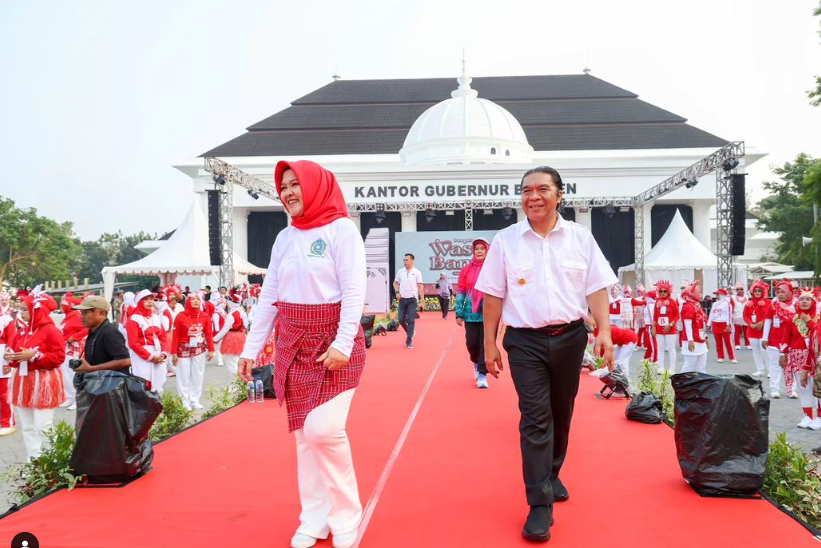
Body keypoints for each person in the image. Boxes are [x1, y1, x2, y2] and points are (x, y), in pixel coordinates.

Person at [476, 166, 616, 543]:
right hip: (524, 341)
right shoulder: (506, 241)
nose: (532, 196)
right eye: (525, 190)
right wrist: (489, 343)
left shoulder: (580, 238)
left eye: (541, 189)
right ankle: (539, 504)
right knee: (535, 418)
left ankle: (552, 472)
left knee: (561, 413)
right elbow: (493, 295)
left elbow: (597, 287)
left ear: (558, 195)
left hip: (571, 338)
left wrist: (604, 330)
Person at [237, 160, 366, 548]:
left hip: (333, 345)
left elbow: (355, 290)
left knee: (323, 429)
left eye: (296, 184)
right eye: (284, 186)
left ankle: (347, 515)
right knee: (303, 437)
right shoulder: (285, 237)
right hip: (292, 343)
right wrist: (250, 347)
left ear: (316, 187)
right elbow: (269, 297)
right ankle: (314, 518)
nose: (289, 192)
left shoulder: (342, 231)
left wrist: (343, 344)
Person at [3, 289, 66, 461]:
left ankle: (54, 460)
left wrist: (35, 356)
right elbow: (17, 356)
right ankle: (35, 461)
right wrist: (11, 357)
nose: (20, 312)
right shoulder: (21, 332)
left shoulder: (51, 330)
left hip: (44, 381)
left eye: (24, 309)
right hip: (24, 381)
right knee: (28, 427)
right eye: (19, 309)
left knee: (43, 425)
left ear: (36, 310)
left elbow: (59, 357)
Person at [455, 238, 491, 389]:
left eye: (482, 248)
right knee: (471, 343)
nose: (480, 251)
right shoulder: (466, 270)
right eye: (477, 249)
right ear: (473, 251)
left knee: (485, 344)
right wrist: (459, 313)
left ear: (487, 250)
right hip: (470, 313)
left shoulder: (492, 269)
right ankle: (476, 362)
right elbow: (461, 291)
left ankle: (482, 374)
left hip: (489, 314)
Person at [171, 291, 214, 410]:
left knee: (197, 375)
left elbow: (209, 334)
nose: (196, 301)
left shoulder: (205, 316)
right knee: (183, 375)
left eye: (198, 299)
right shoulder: (180, 316)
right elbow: (176, 336)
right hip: (183, 349)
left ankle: (194, 400)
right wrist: (174, 353)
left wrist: (211, 350)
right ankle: (184, 401)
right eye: (193, 299)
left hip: (199, 349)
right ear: (188, 301)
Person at [72, 295, 131, 374]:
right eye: (81, 313)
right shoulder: (95, 331)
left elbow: (125, 360)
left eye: (85, 313)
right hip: (100, 382)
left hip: (112, 384)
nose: (81, 317)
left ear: (101, 314)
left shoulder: (109, 333)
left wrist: (92, 369)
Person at [126, 290, 168, 393]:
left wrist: (163, 353)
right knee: (143, 383)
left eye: (151, 299)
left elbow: (163, 337)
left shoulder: (156, 317)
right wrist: (150, 357)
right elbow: (133, 343)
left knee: (158, 383)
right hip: (142, 355)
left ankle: (157, 406)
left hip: (157, 353)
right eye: (146, 299)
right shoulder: (133, 319)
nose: (150, 302)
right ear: (139, 301)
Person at [781, 291, 817, 413]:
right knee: (803, 388)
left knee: (816, 388)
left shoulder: (818, 319)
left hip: (815, 358)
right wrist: (783, 354)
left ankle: (819, 417)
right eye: (802, 299)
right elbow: (786, 338)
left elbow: (818, 333)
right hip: (797, 357)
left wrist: (809, 321)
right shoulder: (792, 319)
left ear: (813, 302)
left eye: (808, 299)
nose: (804, 301)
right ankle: (807, 416)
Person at [763, 279, 795, 399]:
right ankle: (774, 389)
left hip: (791, 341)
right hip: (774, 339)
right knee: (775, 365)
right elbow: (768, 321)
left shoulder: (796, 305)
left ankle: (791, 389)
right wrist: (764, 337)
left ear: (789, 292)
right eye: (778, 292)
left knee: (790, 366)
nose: (780, 294)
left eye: (782, 292)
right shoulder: (773, 305)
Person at [58, 293, 87, 410]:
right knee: (65, 373)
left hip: (73, 349)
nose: (60, 307)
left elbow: (86, 328)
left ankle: (77, 399)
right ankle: (69, 397)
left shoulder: (76, 316)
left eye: (62, 305)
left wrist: (74, 337)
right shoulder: (68, 316)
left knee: (72, 373)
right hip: (65, 349)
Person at [393, 253, 424, 349]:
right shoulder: (400, 272)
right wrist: (397, 292)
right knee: (401, 320)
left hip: (412, 299)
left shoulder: (417, 272)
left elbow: (420, 287)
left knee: (411, 320)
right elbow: (395, 283)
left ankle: (409, 340)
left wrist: (422, 301)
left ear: (412, 261)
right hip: (402, 299)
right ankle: (410, 332)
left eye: (407, 260)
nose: (405, 262)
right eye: (404, 260)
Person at [212, 293, 247, 375]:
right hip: (241, 336)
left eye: (228, 301)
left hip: (232, 338)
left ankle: (237, 383)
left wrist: (214, 339)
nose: (227, 303)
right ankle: (240, 382)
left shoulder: (232, 314)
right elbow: (246, 325)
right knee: (238, 361)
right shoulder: (242, 312)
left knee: (231, 363)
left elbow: (224, 330)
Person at [680, 281, 709, 373]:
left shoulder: (697, 305)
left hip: (700, 339)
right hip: (692, 340)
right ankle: (681, 385)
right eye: (698, 292)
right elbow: (687, 325)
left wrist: (705, 338)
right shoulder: (688, 306)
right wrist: (690, 340)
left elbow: (701, 324)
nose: (700, 294)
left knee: (701, 367)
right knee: (689, 366)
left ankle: (700, 386)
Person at [652, 280, 679, 375]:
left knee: (671, 349)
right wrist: (653, 327)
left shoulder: (672, 302)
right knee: (660, 348)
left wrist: (671, 325)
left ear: (668, 291)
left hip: (670, 329)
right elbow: (655, 315)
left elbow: (677, 315)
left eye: (664, 291)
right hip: (659, 329)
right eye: (661, 291)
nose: (662, 293)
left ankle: (672, 368)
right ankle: (661, 367)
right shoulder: (657, 302)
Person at [0, 293, 17, 436]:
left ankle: (8, 422)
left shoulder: (6, 319)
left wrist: (7, 362)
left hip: (2, 357)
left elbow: (12, 339)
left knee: (4, 393)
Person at [707, 289, 736, 364]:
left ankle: (732, 357)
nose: (716, 296)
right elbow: (711, 314)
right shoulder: (714, 304)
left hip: (724, 324)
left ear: (722, 295)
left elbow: (729, 315)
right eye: (716, 294)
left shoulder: (727, 304)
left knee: (728, 342)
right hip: (715, 324)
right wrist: (708, 324)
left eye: (718, 294)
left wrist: (728, 324)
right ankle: (720, 356)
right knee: (718, 342)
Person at [732, 283, 750, 349]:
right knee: (737, 331)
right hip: (737, 316)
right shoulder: (733, 297)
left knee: (746, 331)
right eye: (738, 289)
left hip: (745, 316)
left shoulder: (747, 297)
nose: (739, 290)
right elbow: (731, 306)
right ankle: (737, 344)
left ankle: (747, 344)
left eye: (741, 289)